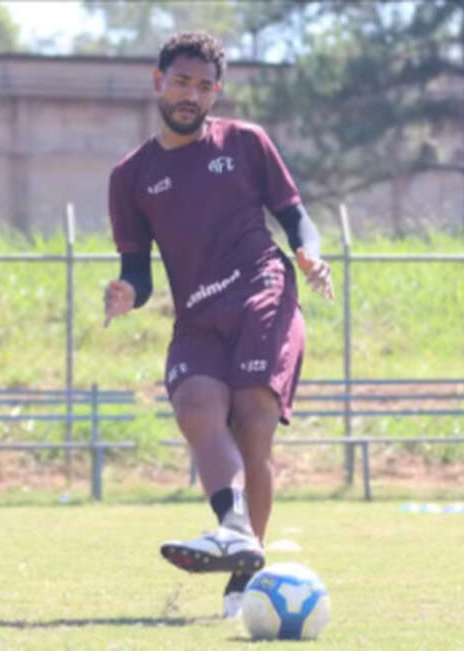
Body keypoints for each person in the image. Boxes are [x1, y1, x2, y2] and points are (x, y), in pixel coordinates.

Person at [102, 31, 334, 618]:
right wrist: (129, 289)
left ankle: (240, 585)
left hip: (264, 291)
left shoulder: (247, 142)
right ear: (158, 81)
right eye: (181, 81)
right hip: (197, 315)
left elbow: (295, 217)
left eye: (204, 86)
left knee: (254, 419)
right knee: (196, 405)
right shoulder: (130, 177)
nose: (191, 95)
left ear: (216, 94)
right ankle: (235, 530)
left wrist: (308, 252)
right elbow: (140, 270)